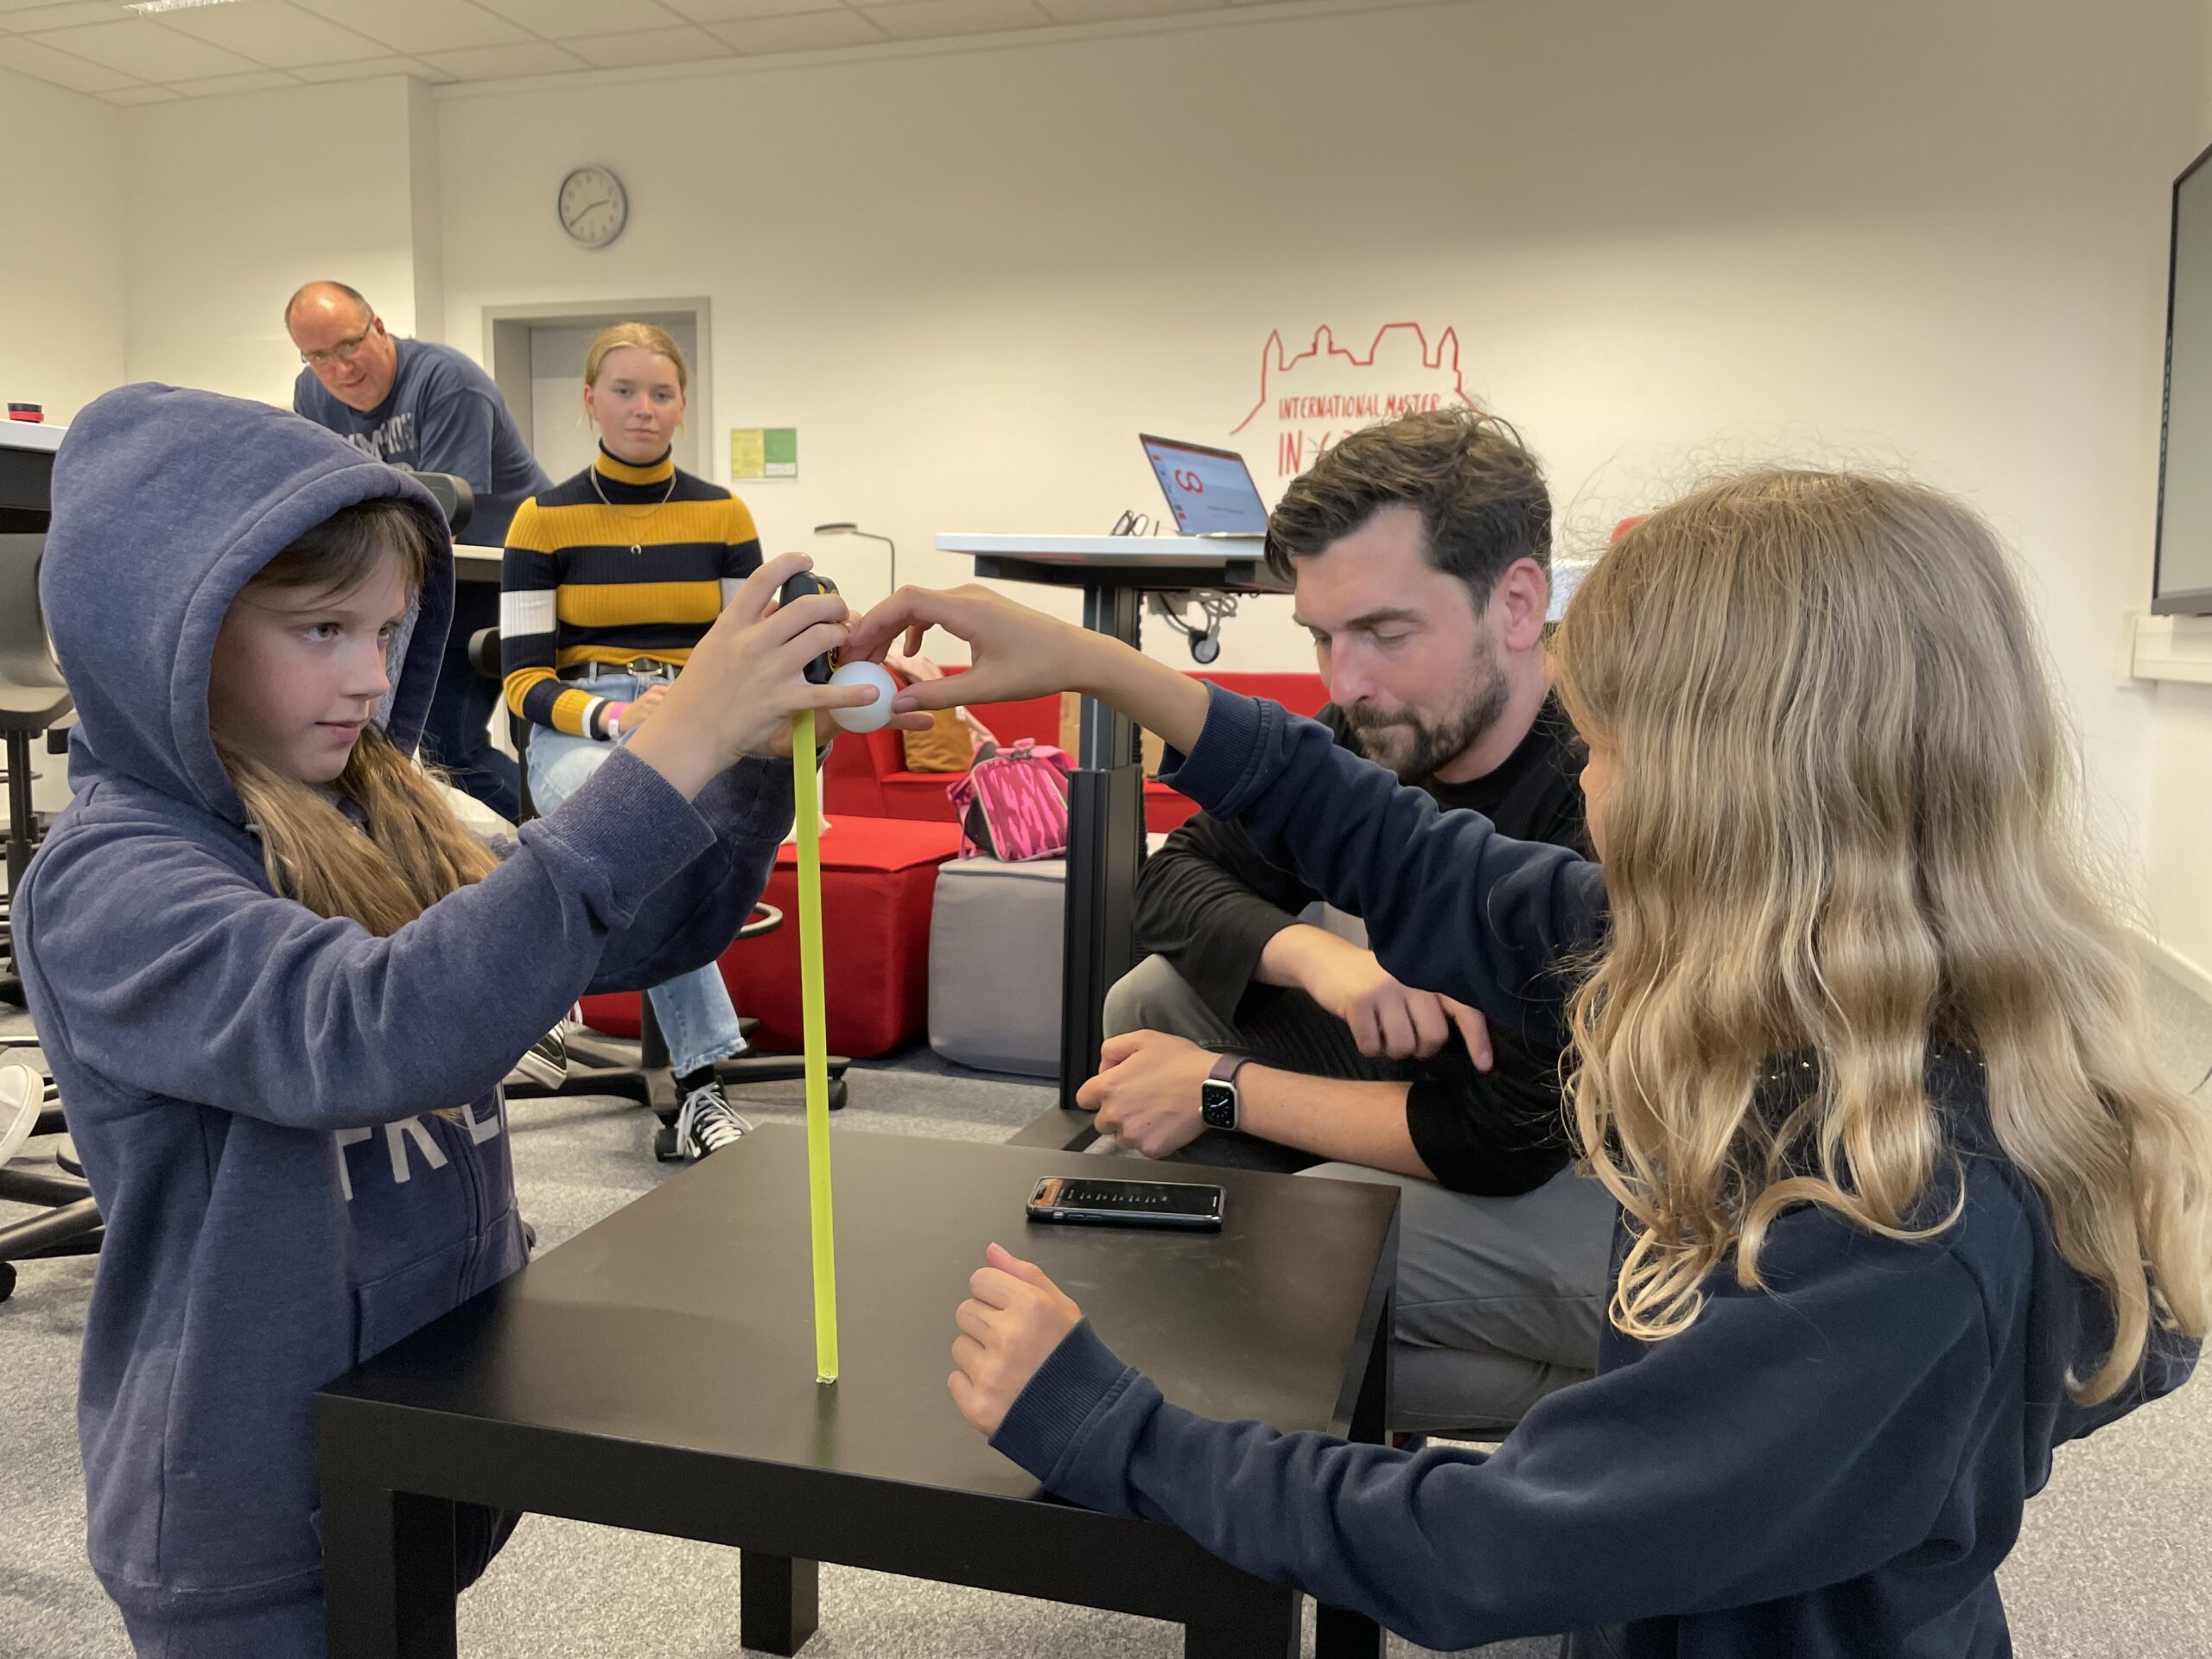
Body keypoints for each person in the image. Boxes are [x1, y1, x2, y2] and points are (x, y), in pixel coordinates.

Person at [849, 470, 2212, 1656]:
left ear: (1724, 786)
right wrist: (1099, 666)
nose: (1586, 777)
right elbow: (1394, 845)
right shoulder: (1782, 978)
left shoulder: (1911, 1222)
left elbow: (1497, 1545)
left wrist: (1120, 1435)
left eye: (1606, 742)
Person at [15, 384, 894, 1656]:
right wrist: (668, 751)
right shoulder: (113, 884)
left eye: (386, 629)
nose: (369, 676)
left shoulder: (380, 807)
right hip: (249, 1504)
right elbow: (384, 1028)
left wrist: (753, 748)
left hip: (404, 1440)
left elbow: (634, 936)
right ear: (167, 633)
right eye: (321, 629)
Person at [1093, 408, 1606, 1432]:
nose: (1345, 683)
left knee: (1295, 1253)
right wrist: (1332, 965)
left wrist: (1225, 1090)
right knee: (1150, 1001)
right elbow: (1175, 880)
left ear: (1515, 604)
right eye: (1322, 638)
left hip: (1602, 1170)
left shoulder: (1599, 784)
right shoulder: (1374, 727)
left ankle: (1621, 1403)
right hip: (1458, 1094)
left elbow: (1502, 1138)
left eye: (1383, 633)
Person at [500, 322, 768, 1160]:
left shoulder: (723, 512)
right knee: (647, 818)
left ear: (682, 405)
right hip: (579, 728)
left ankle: (554, 998)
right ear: (589, 402)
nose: (642, 409)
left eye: (660, 392)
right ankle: (701, 1086)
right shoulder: (541, 521)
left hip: (696, 714)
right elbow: (521, 682)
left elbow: (747, 650)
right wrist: (617, 719)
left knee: (659, 825)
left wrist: (686, 709)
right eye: (623, 390)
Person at [288, 280, 548, 824]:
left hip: (500, 569)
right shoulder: (311, 396)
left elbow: (443, 517)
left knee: (450, 748)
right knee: (393, 744)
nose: (338, 368)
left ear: (378, 327)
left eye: (348, 346)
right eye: (318, 357)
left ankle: (559, 850)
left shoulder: (448, 383)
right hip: (415, 577)